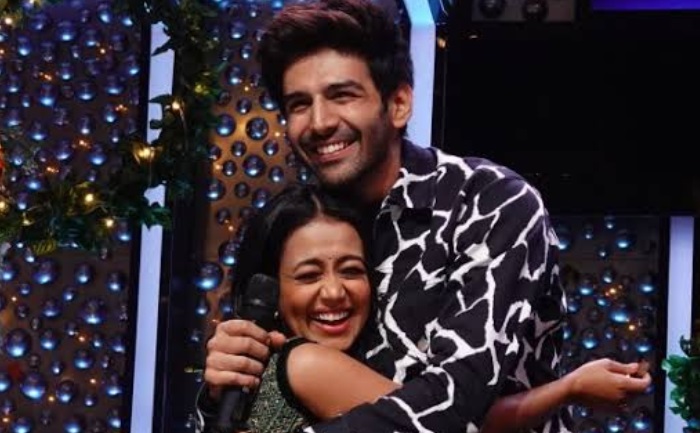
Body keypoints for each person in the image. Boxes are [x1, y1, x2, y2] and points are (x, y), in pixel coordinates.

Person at [198, 0, 651, 431]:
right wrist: (221, 387)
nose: (319, 122)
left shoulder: (489, 202)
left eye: (342, 95)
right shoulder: (306, 224)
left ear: (398, 104)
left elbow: (456, 405)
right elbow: (262, 396)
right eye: (299, 104)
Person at [199, 183, 651, 433]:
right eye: (309, 275)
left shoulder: (260, 369)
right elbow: (449, 425)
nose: (334, 292)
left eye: (351, 270)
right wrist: (568, 389)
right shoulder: (306, 363)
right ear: (270, 289)